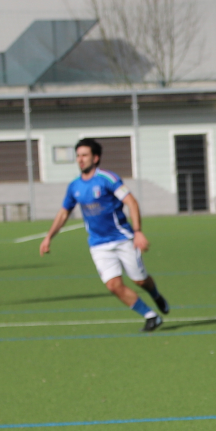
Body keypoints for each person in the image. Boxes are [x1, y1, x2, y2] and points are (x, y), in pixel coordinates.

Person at [37, 137, 171, 332]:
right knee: (113, 285)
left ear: (96, 158)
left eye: (85, 155)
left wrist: (138, 232)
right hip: (98, 244)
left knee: (139, 280)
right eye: (78, 156)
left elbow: (131, 202)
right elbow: (64, 212)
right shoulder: (74, 186)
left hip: (123, 239)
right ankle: (151, 316)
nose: (80, 159)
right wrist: (49, 237)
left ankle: (156, 295)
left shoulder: (108, 179)